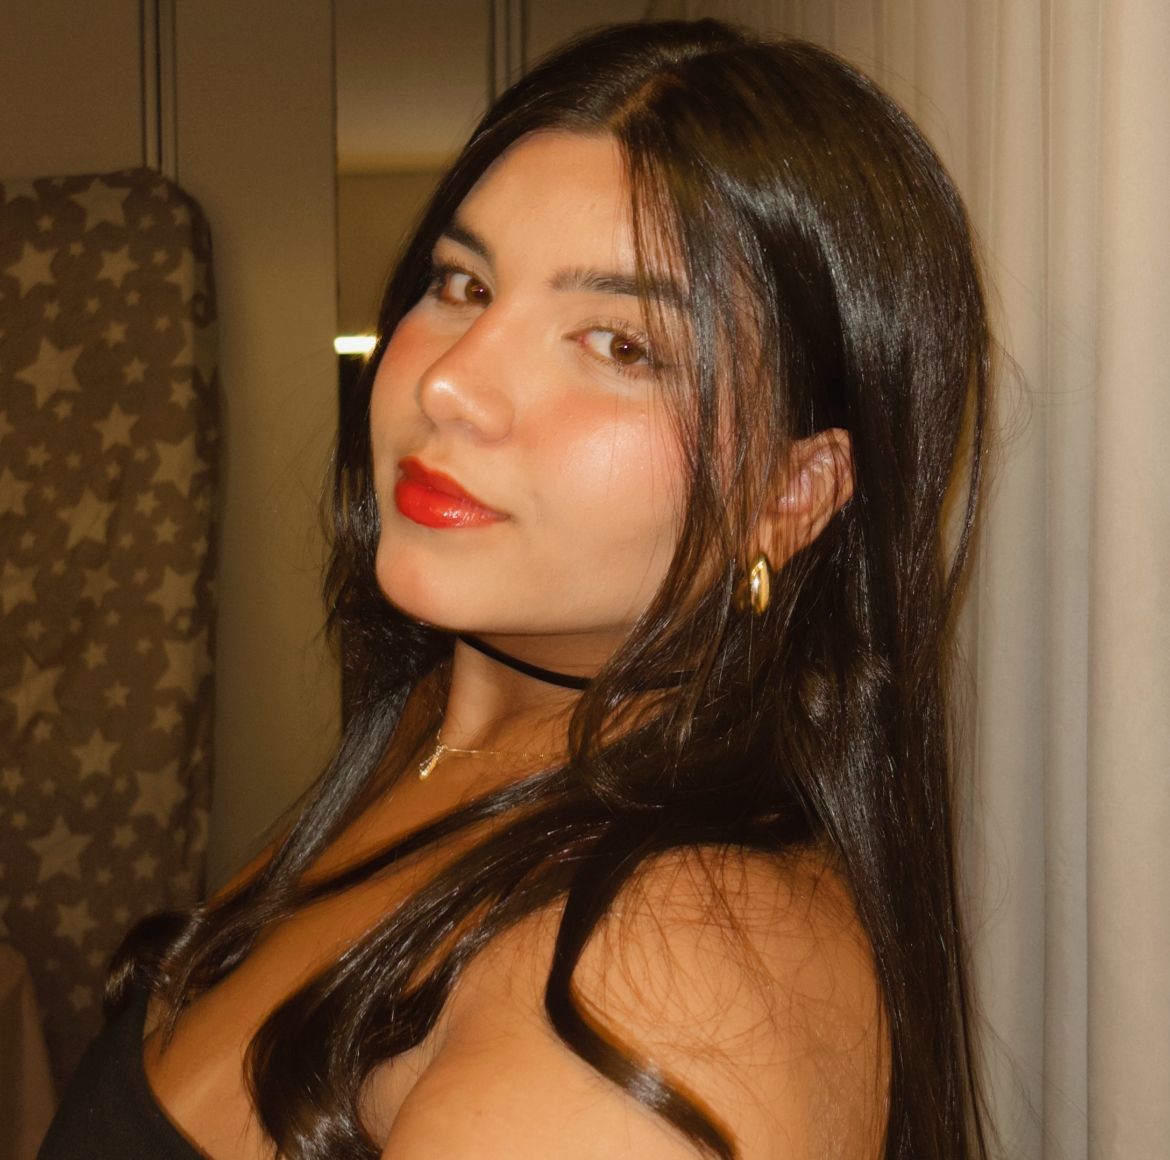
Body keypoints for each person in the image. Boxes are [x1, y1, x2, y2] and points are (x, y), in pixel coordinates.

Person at [39, 19, 991, 1160]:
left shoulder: (657, 987)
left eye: (621, 344)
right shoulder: (449, 726)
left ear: (791, 492)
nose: (450, 382)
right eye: (463, 282)